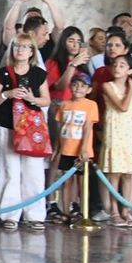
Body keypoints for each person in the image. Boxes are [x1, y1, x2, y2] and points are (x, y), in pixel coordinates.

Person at [0, 33, 51, 230]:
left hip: (30, 129)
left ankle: (35, 214)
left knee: (33, 172)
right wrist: (7, 94)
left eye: (25, 47)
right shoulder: (3, 73)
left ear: (32, 52)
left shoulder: (38, 74)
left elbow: (47, 100)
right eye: (17, 46)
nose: (20, 50)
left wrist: (32, 98)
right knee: (9, 171)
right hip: (7, 125)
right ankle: (10, 214)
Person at [100, 54, 132, 227]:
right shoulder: (107, 86)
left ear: (130, 70)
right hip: (114, 130)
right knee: (114, 172)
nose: (117, 68)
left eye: (122, 65)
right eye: (115, 65)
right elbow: (122, 106)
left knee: (129, 173)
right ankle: (114, 210)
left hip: (130, 131)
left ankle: (127, 209)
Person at [51, 72, 98, 222]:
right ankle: (66, 211)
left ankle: (83, 211)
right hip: (66, 149)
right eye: (75, 84)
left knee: (82, 182)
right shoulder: (64, 104)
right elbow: (60, 128)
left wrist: (84, 148)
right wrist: (57, 148)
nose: (78, 88)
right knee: (66, 181)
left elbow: (87, 127)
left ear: (89, 90)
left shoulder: (91, 105)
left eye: (83, 86)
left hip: (81, 151)